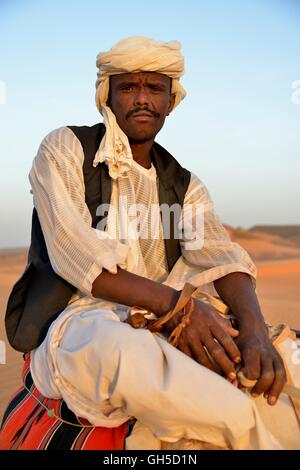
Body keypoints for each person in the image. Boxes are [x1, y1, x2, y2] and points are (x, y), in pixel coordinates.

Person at [0, 36, 288, 450]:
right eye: (129, 87)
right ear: (108, 95)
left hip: (166, 319)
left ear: (170, 101)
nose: (141, 99)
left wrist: (256, 332)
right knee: (218, 404)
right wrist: (177, 306)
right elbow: (78, 257)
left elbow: (221, 256)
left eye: (154, 88)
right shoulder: (65, 149)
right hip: (81, 322)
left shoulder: (184, 184)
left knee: (280, 361)